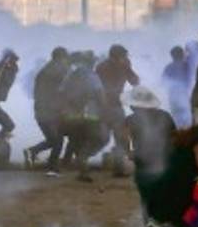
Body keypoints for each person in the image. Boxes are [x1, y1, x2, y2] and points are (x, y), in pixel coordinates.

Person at [123, 85, 177, 227]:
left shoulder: (130, 120)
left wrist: (130, 153)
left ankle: (150, 223)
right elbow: (175, 139)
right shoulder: (165, 116)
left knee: (147, 199)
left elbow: (125, 142)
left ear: (134, 105)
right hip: (167, 163)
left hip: (143, 165)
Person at [54, 51, 106, 180]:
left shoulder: (70, 75)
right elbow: (100, 95)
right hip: (89, 115)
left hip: (71, 116)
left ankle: (78, 169)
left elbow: (60, 93)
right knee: (97, 138)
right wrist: (104, 110)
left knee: (76, 140)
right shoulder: (92, 76)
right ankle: (82, 163)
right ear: (90, 62)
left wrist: (63, 110)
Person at [96, 44, 141, 176]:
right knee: (103, 137)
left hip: (116, 105)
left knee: (120, 136)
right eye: (123, 57)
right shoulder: (102, 68)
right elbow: (97, 88)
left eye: (125, 57)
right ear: (115, 57)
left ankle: (119, 166)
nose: (125, 59)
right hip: (103, 106)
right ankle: (83, 157)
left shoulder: (124, 64)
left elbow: (134, 80)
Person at [23, 47, 70, 169]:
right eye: (65, 58)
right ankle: (52, 167)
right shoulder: (59, 70)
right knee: (58, 140)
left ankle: (32, 151)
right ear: (61, 58)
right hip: (50, 111)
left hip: (40, 110)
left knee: (53, 139)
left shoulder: (45, 70)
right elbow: (63, 89)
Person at [161, 46, 192, 127]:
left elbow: (163, 83)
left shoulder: (168, 68)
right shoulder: (187, 66)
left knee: (177, 120)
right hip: (186, 96)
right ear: (182, 54)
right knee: (188, 120)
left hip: (173, 97)